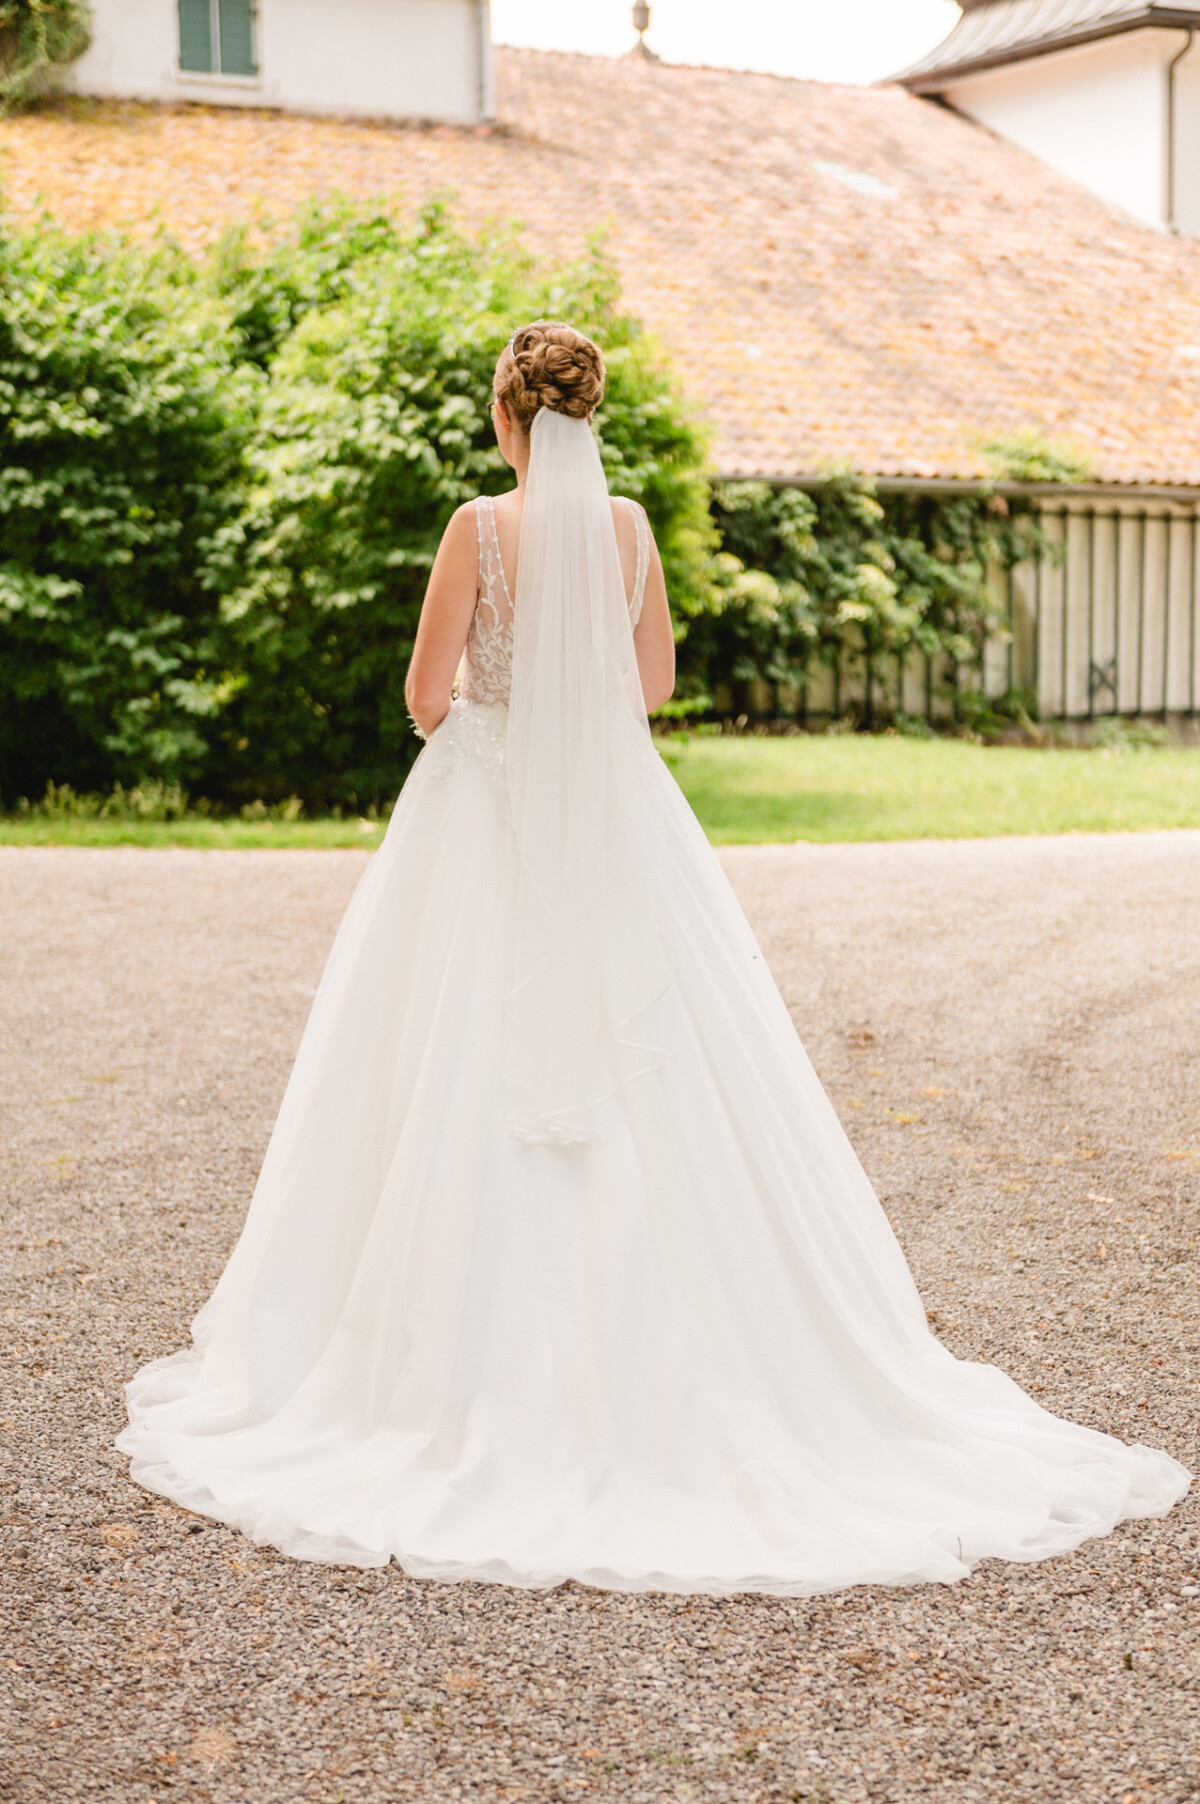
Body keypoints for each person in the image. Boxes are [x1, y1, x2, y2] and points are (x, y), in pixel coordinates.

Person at [117, 321, 1189, 1593]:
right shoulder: (628, 531)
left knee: (440, 1042)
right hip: (614, 816)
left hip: (484, 813)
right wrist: (573, 731)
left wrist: (496, 733)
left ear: (507, 418)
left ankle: (421, 1356)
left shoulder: (476, 528)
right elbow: (654, 683)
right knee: (663, 1048)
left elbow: (424, 695)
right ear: (589, 416)